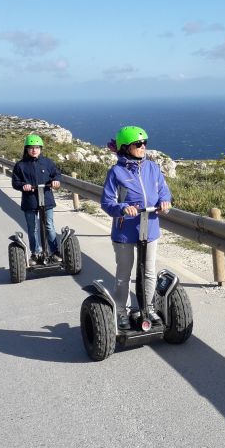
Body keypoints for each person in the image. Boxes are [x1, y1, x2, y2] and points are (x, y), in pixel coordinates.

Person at [101, 125, 172, 328]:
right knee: (124, 274)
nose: (143, 147)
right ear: (125, 147)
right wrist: (123, 208)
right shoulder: (116, 172)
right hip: (125, 230)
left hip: (150, 228)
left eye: (144, 143)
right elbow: (107, 203)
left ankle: (147, 308)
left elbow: (164, 191)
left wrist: (165, 201)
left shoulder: (153, 168)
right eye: (138, 144)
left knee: (149, 271)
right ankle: (122, 311)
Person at [11, 133, 62, 263]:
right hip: (30, 201)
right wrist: (23, 186)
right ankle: (36, 253)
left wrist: (56, 181)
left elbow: (56, 174)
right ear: (26, 149)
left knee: (49, 225)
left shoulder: (47, 162)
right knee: (33, 228)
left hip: (47, 199)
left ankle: (54, 252)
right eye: (31, 147)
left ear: (41, 148)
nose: (34, 150)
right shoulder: (20, 165)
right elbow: (15, 182)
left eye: (37, 147)